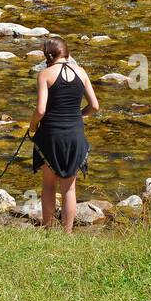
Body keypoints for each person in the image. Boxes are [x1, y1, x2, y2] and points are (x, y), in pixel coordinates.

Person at [27, 37, 99, 232]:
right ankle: (67, 233)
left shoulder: (45, 75)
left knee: (49, 185)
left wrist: (32, 126)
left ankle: (48, 228)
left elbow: (41, 110)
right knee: (69, 188)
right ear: (67, 53)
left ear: (47, 56)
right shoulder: (81, 72)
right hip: (75, 134)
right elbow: (94, 106)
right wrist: (79, 116)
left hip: (51, 136)